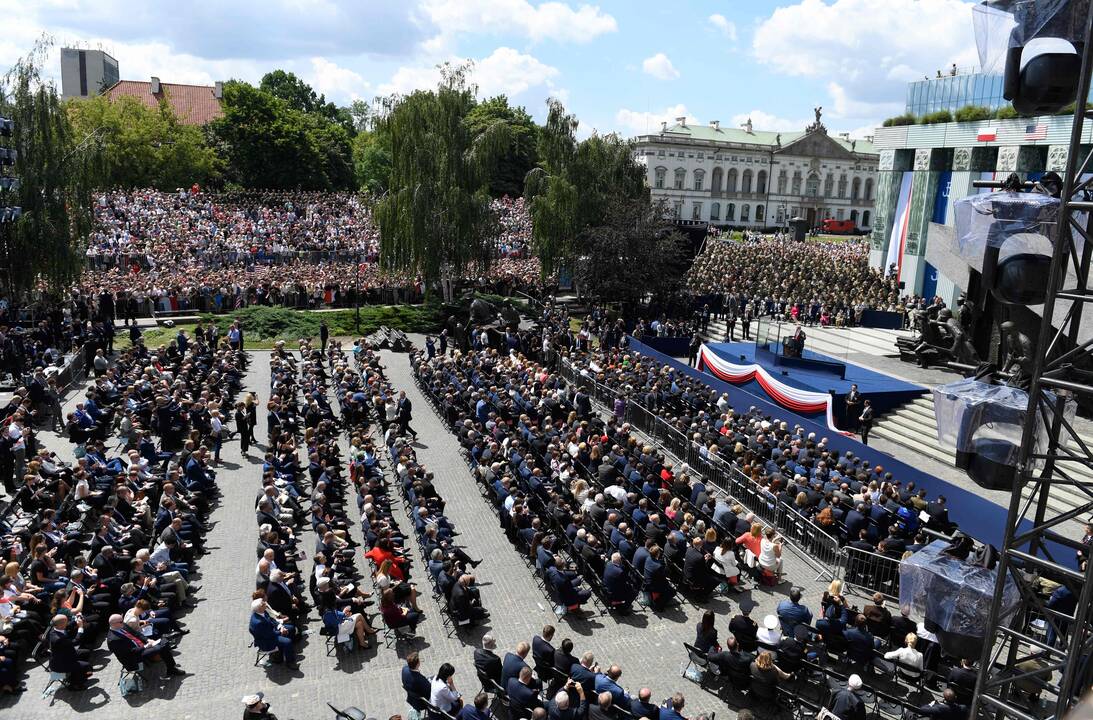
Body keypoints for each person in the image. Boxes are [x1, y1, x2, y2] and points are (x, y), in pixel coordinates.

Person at [107, 613, 185, 676]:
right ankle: (171, 668)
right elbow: (130, 652)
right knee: (160, 647)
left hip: (140, 646)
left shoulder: (121, 625)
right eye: (121, 621)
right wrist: (145, 647)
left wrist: (147, 640)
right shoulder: (113, 639)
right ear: (113, 624)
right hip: (133, 656)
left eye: (122, 620)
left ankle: (171, 667)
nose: (123, 622)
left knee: (162, 644)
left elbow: (136, 634)